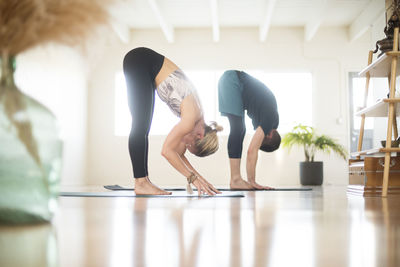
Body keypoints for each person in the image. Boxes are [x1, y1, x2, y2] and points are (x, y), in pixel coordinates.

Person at [123, 47, 222, 195]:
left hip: (145, 67)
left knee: (142, 128)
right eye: (189, 144)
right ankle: (141, 182)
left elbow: (178, 154)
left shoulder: (197, 117)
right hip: (139, 60)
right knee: (140, 126)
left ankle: (144, 182)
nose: (185, 144)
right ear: (199, 136)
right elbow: (167, 151)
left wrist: (201, 180)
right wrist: (192, 178)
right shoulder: (190, 118)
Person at [218, 70, 281, 190]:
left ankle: (236, 179)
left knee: (240, 129)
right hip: (233, 81)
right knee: (238, 128)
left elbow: (252, 149)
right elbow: (252, 150)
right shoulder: (271, 118)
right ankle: (235, 179)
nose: (259, 138)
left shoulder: (266, 116)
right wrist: (252, 182)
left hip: (231, 81)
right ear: (270, 135)